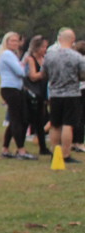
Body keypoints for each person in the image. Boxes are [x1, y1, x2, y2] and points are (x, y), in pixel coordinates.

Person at [42, 28, 85, 162]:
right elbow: (83, 75)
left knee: (55, 124)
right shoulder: (77, 57)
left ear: (59, 39)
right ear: (73, 40)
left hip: (55, 94)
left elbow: (44, 73)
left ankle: (55, 152)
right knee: (68, 124)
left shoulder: (50, 56)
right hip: (72, 94)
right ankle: (65, 153)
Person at [0, 32, 35, 160]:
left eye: (16, 41)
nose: (15, 43)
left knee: (15, 119)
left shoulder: (11, 55)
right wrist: (25, 65)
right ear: (6, 42)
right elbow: (20, 72)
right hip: (11, 89)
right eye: (12, 41)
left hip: (13, 88)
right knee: (18, 120)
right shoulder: (8, 54)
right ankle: (21, 150)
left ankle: (5, 149)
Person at [22, 35, 50, 156]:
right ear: (36, 47)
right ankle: (21, 145)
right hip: (32, 94)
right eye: (43, 47)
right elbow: (33, 76)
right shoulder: (30, 59)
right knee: (27, 120)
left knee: (40, 120)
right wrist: (45, 71)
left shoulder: (44, 58)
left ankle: (43, 147)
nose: (45, 49)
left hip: (42, 93)